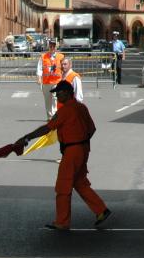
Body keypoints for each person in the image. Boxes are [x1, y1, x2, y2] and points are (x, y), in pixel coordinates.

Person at [15, 80, 111, 230]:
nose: (56, 96)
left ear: (66, 92)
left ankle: (62, 221)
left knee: (63, 185)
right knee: (79, 182)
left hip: (72, 151)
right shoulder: (81, 107)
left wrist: (27, 137)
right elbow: (92, 129)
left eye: (58, 93)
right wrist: (81, 141)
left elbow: (47, 128)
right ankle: (101, 210)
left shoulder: (65, 110)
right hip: (83, 148)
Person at [36, 38, 64, 119]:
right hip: (46, 82)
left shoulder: (61, 56)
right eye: (51, 46)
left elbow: (64, 67)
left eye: (54, 46)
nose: (52, 47)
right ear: (49, 46)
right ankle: (49, 116)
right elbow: (39, 68)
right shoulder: (43, 56)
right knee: (48, 100)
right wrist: (38, 78)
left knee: (55, 98)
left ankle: (55, 115)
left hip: (57, 81)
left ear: (56, 47)